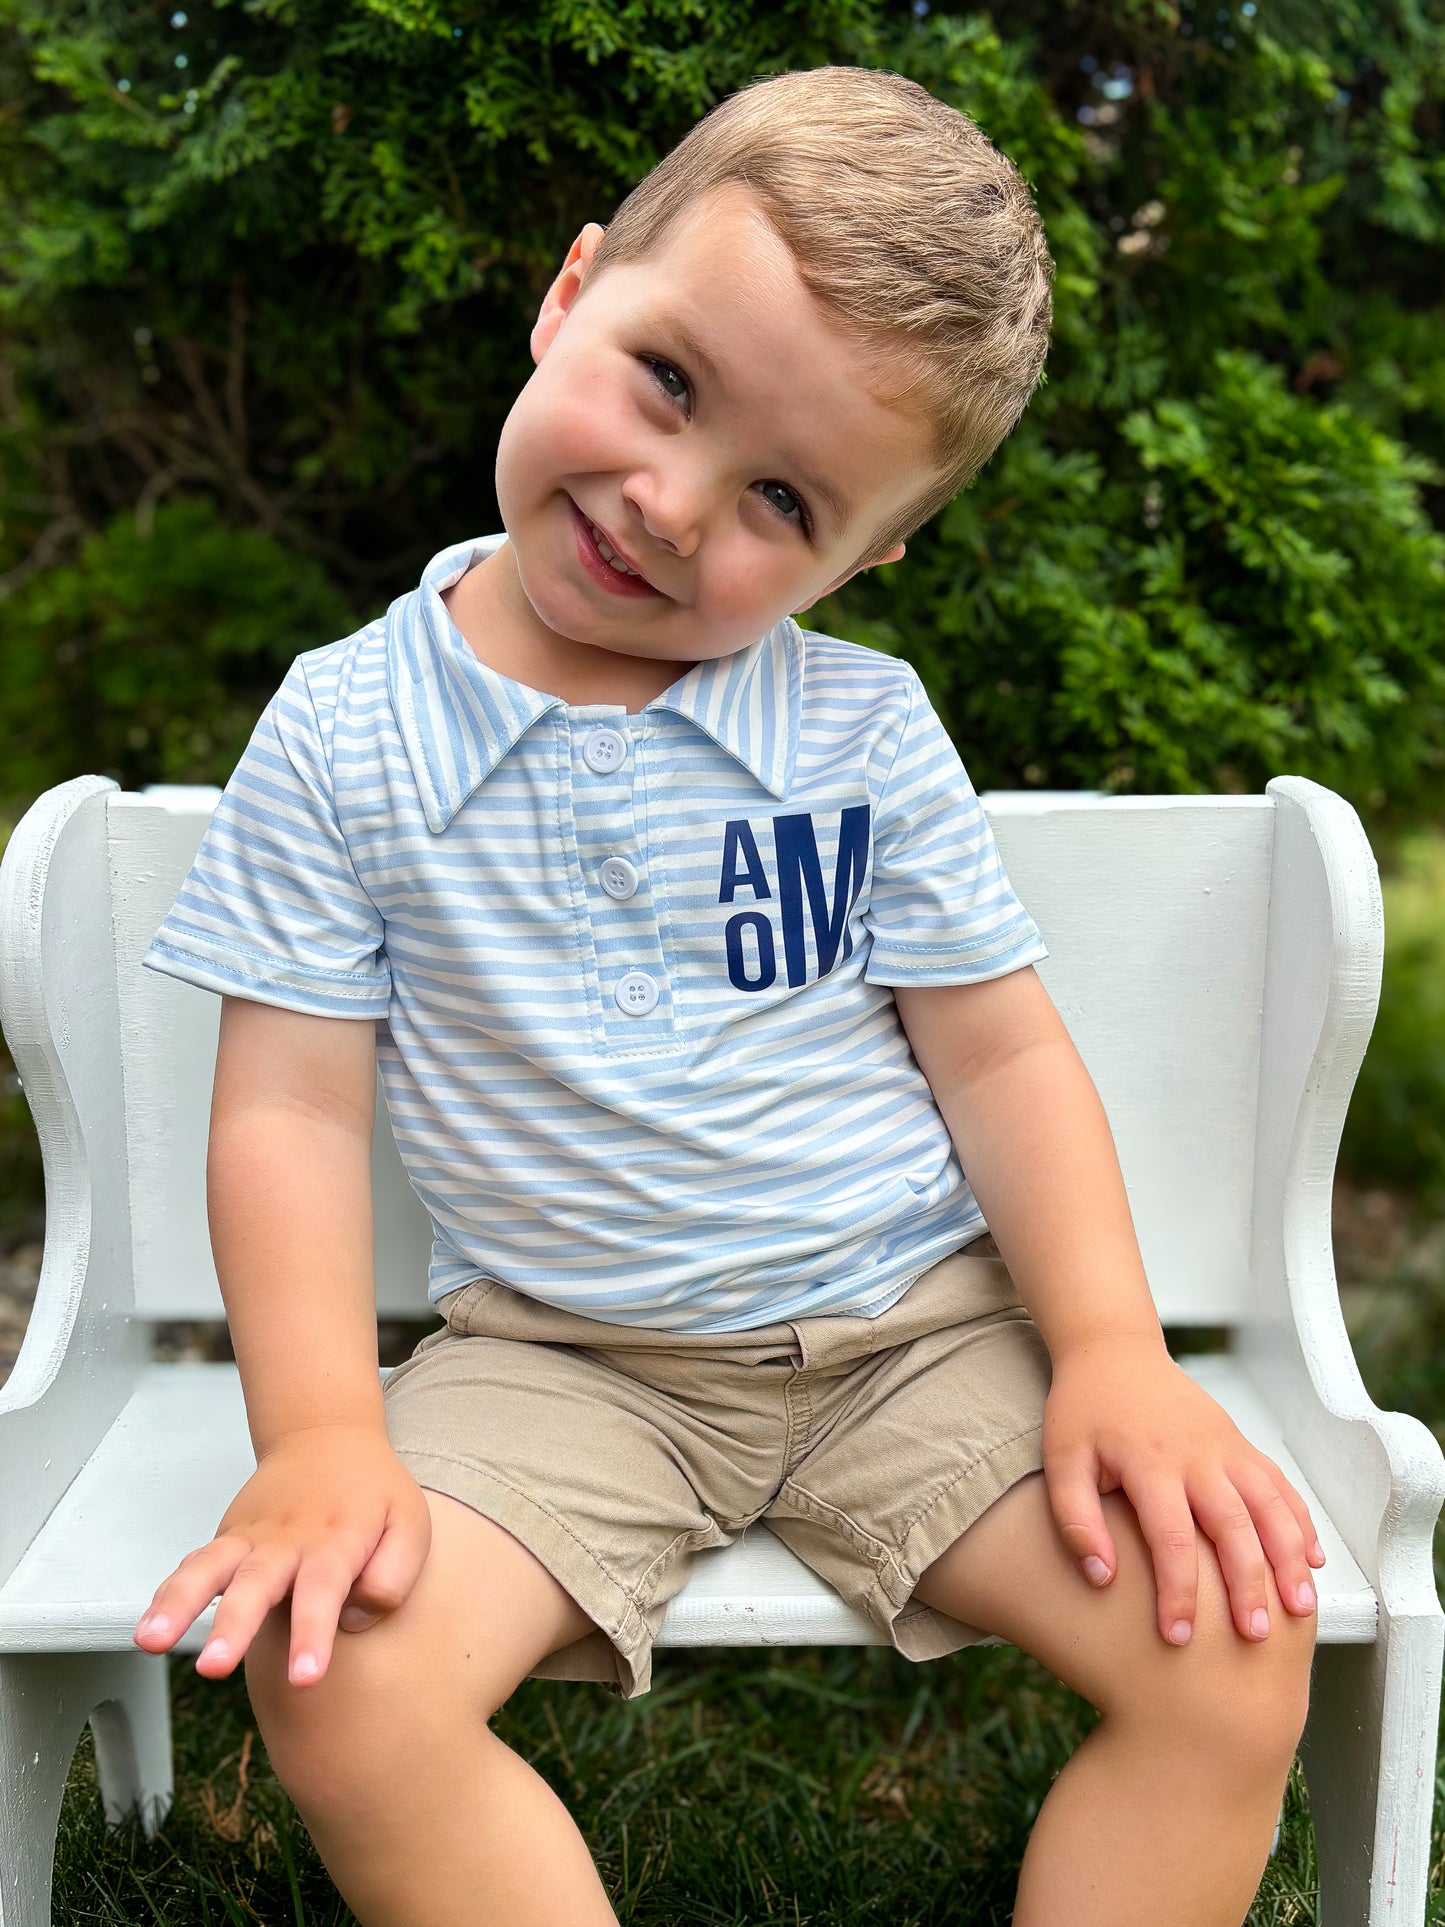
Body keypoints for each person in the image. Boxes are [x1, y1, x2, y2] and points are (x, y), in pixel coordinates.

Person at [131, 63, 1323, 1927]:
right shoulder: (348, 729)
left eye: (783, 498)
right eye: (665, 380)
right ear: (570, 291)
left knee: (1228, 1642)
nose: (671, 506)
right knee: (341, 1677)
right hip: (561, 1364)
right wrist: (320, 1443)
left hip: (911, 1342)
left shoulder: (857, 733)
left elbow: (1002, 1057)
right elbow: (286, 1106)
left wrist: (1107, 1355)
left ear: (872, 553)